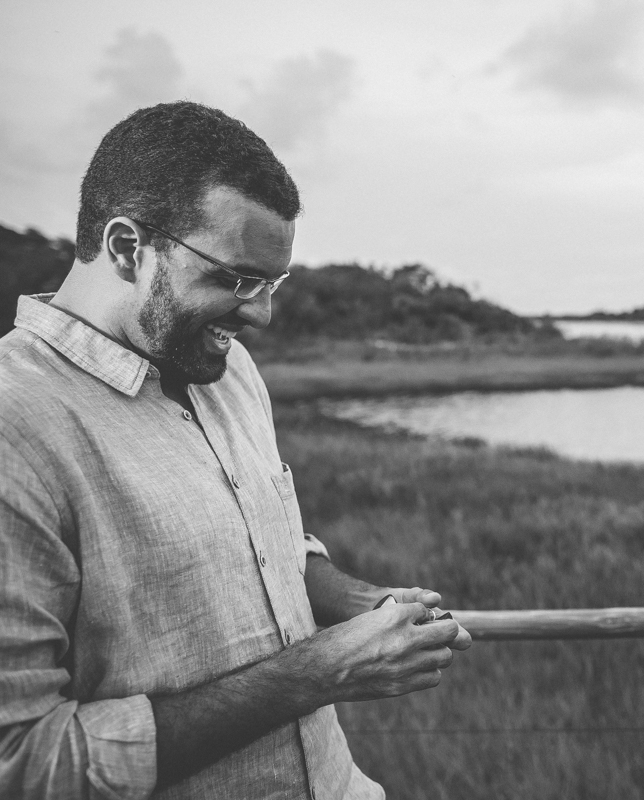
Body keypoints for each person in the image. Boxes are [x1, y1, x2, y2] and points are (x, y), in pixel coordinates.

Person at [0, 101, 471, 799]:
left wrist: (357, 600)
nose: (261, 314)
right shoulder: (15, 426)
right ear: (127, 247)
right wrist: (320, 673)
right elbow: (20, 761)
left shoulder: (228, 369)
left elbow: (264, 542)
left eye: (273, 283)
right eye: (236, 279)